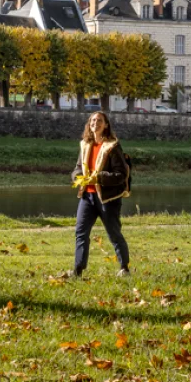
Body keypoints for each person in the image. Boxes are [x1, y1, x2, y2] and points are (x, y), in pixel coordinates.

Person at [69, 111, 131, 278]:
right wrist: (77, 178)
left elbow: (121, 175)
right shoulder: (85, 144)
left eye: (99, 120)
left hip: (107, 199)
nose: (95, 123)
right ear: (89, 124)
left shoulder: (113, 146)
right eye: (93, 120)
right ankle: (77, 270)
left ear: (106, 125)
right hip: (87, 197)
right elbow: (77, 168)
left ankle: (124, 268)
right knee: (80, 232)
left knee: (114, 233)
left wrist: (99, 178)